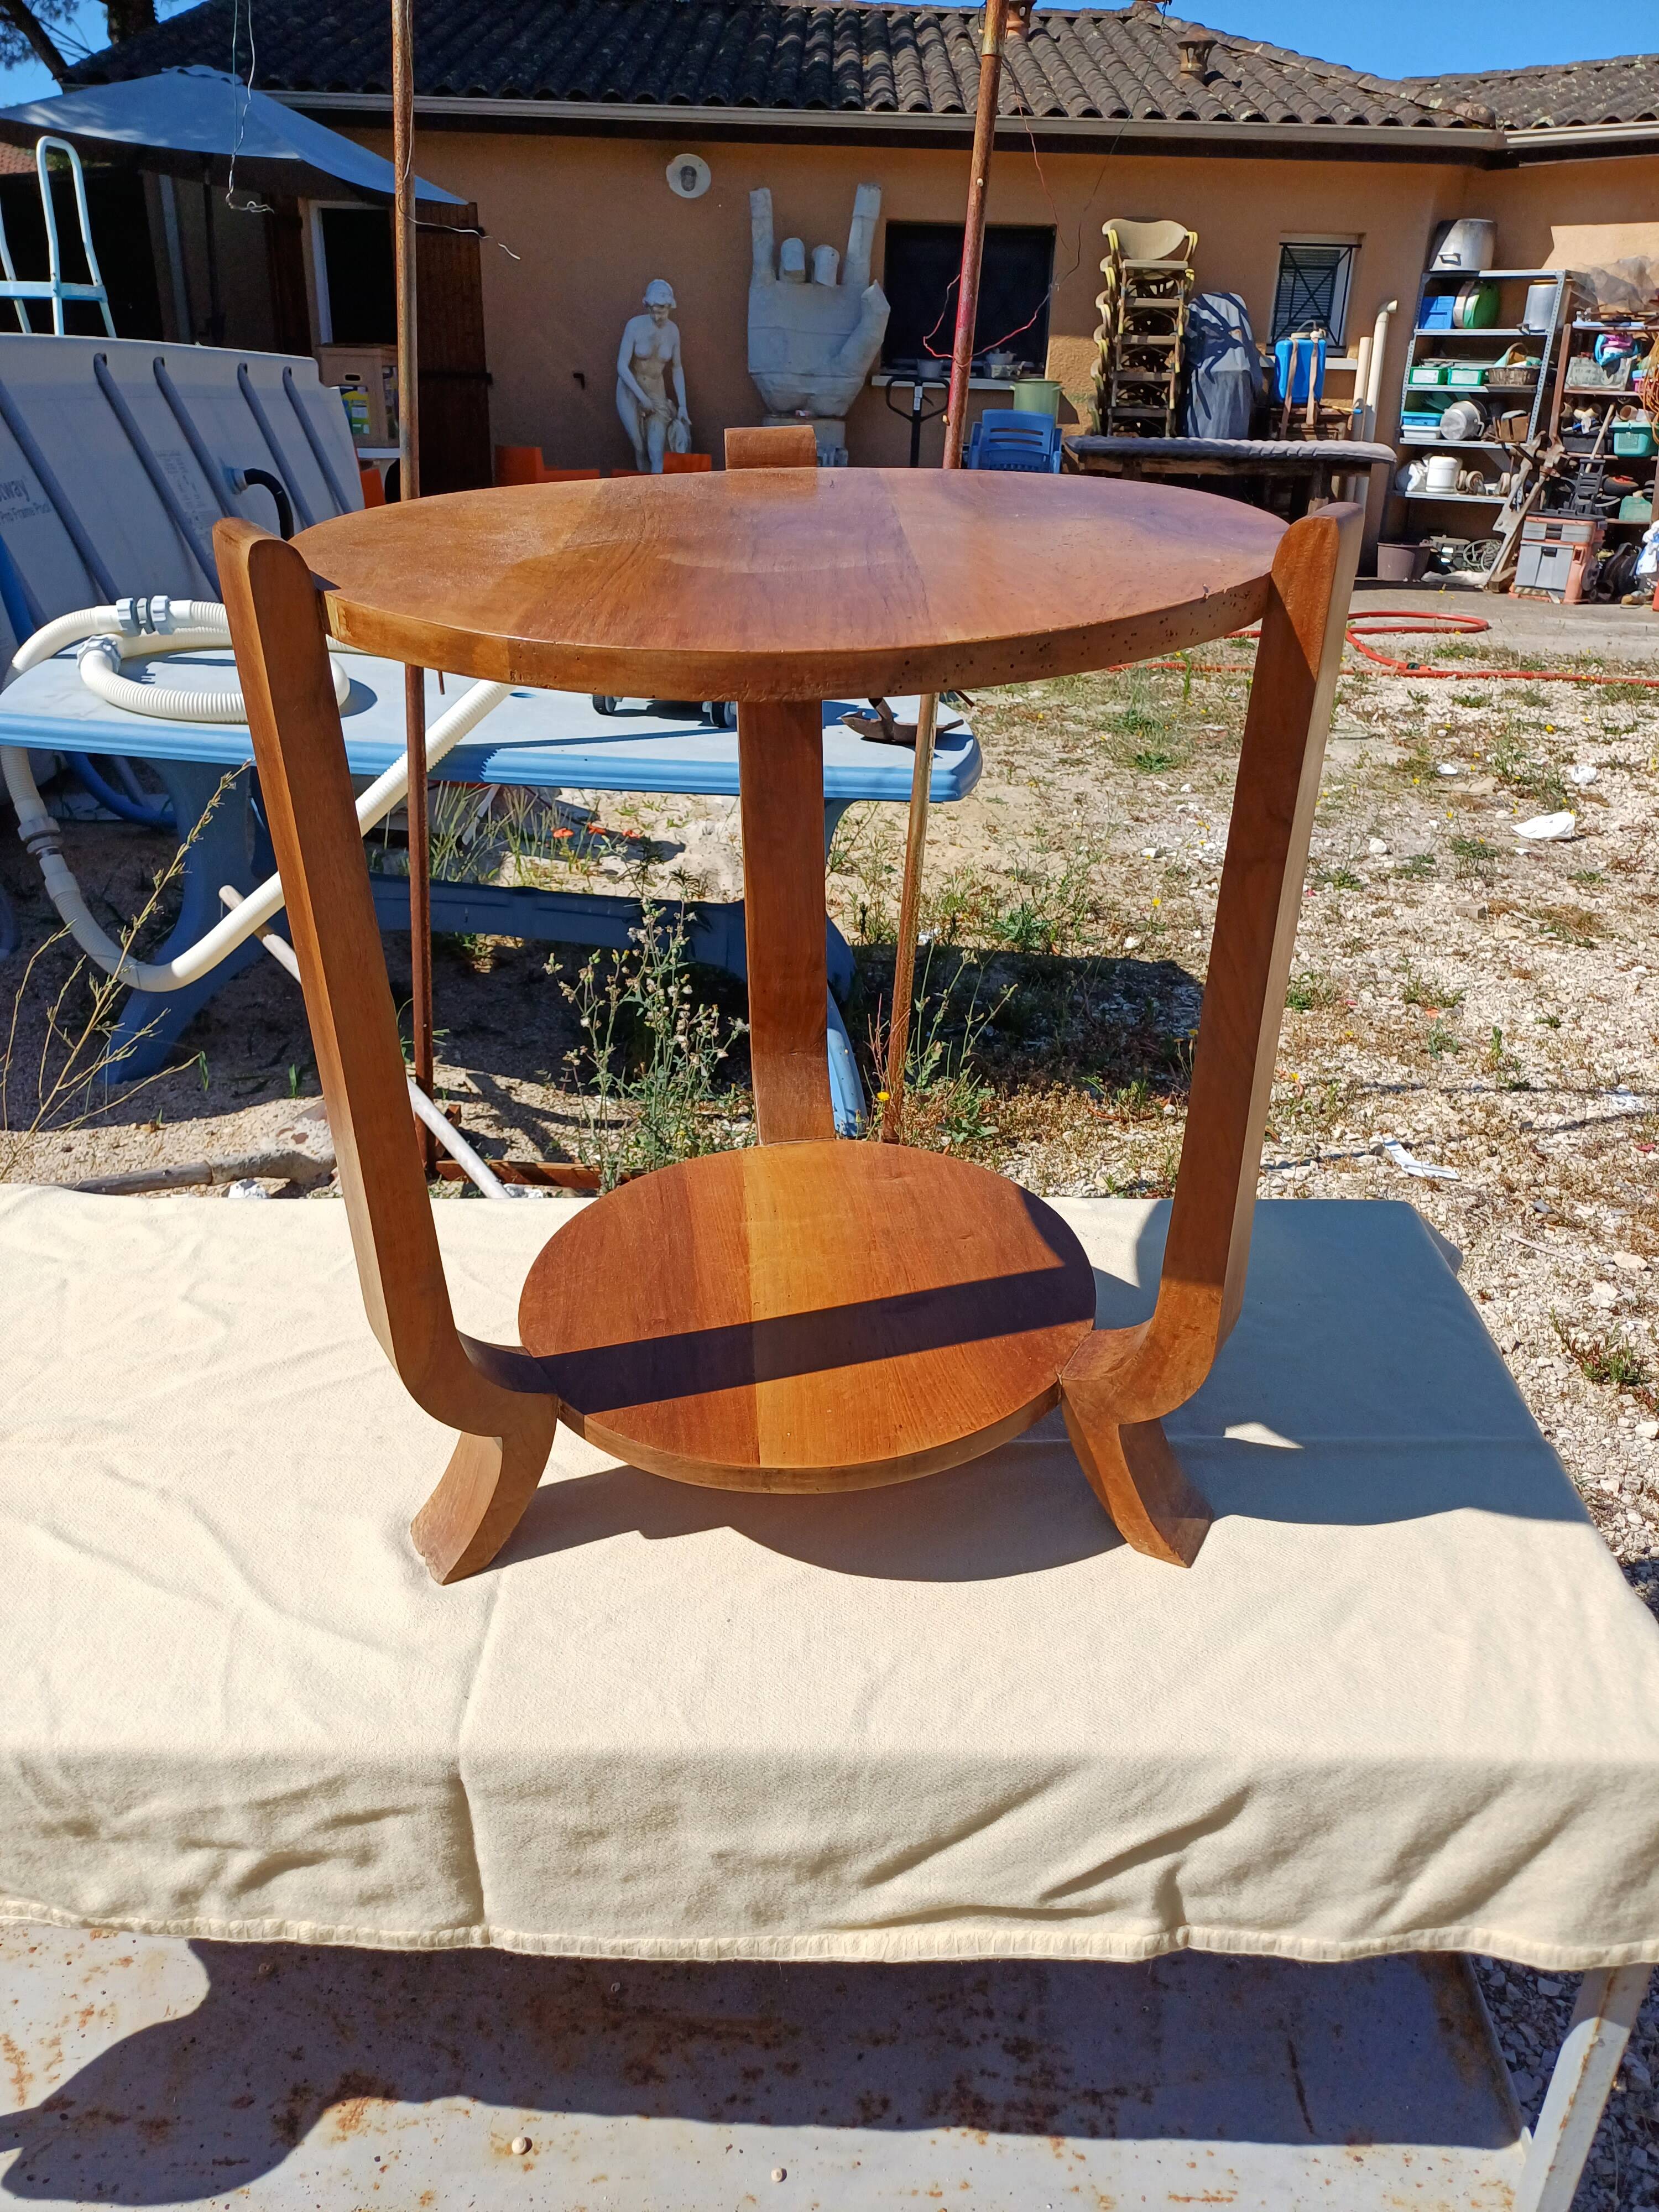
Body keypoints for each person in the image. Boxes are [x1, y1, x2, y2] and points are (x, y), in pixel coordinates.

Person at [617, 279, 690, 473]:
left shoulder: (673, 332)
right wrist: (642, 398)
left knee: (656, 451)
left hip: (657, 393)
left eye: (662, 312)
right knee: (640, 447)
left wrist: (683, 406)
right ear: (647, 306)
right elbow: (622, 366)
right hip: (631, 391)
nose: (657, 317)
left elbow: (677, 368)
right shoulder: (634, 326)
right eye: (653, 311)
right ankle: (643, 492)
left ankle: (657, 496)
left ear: (670, 308)